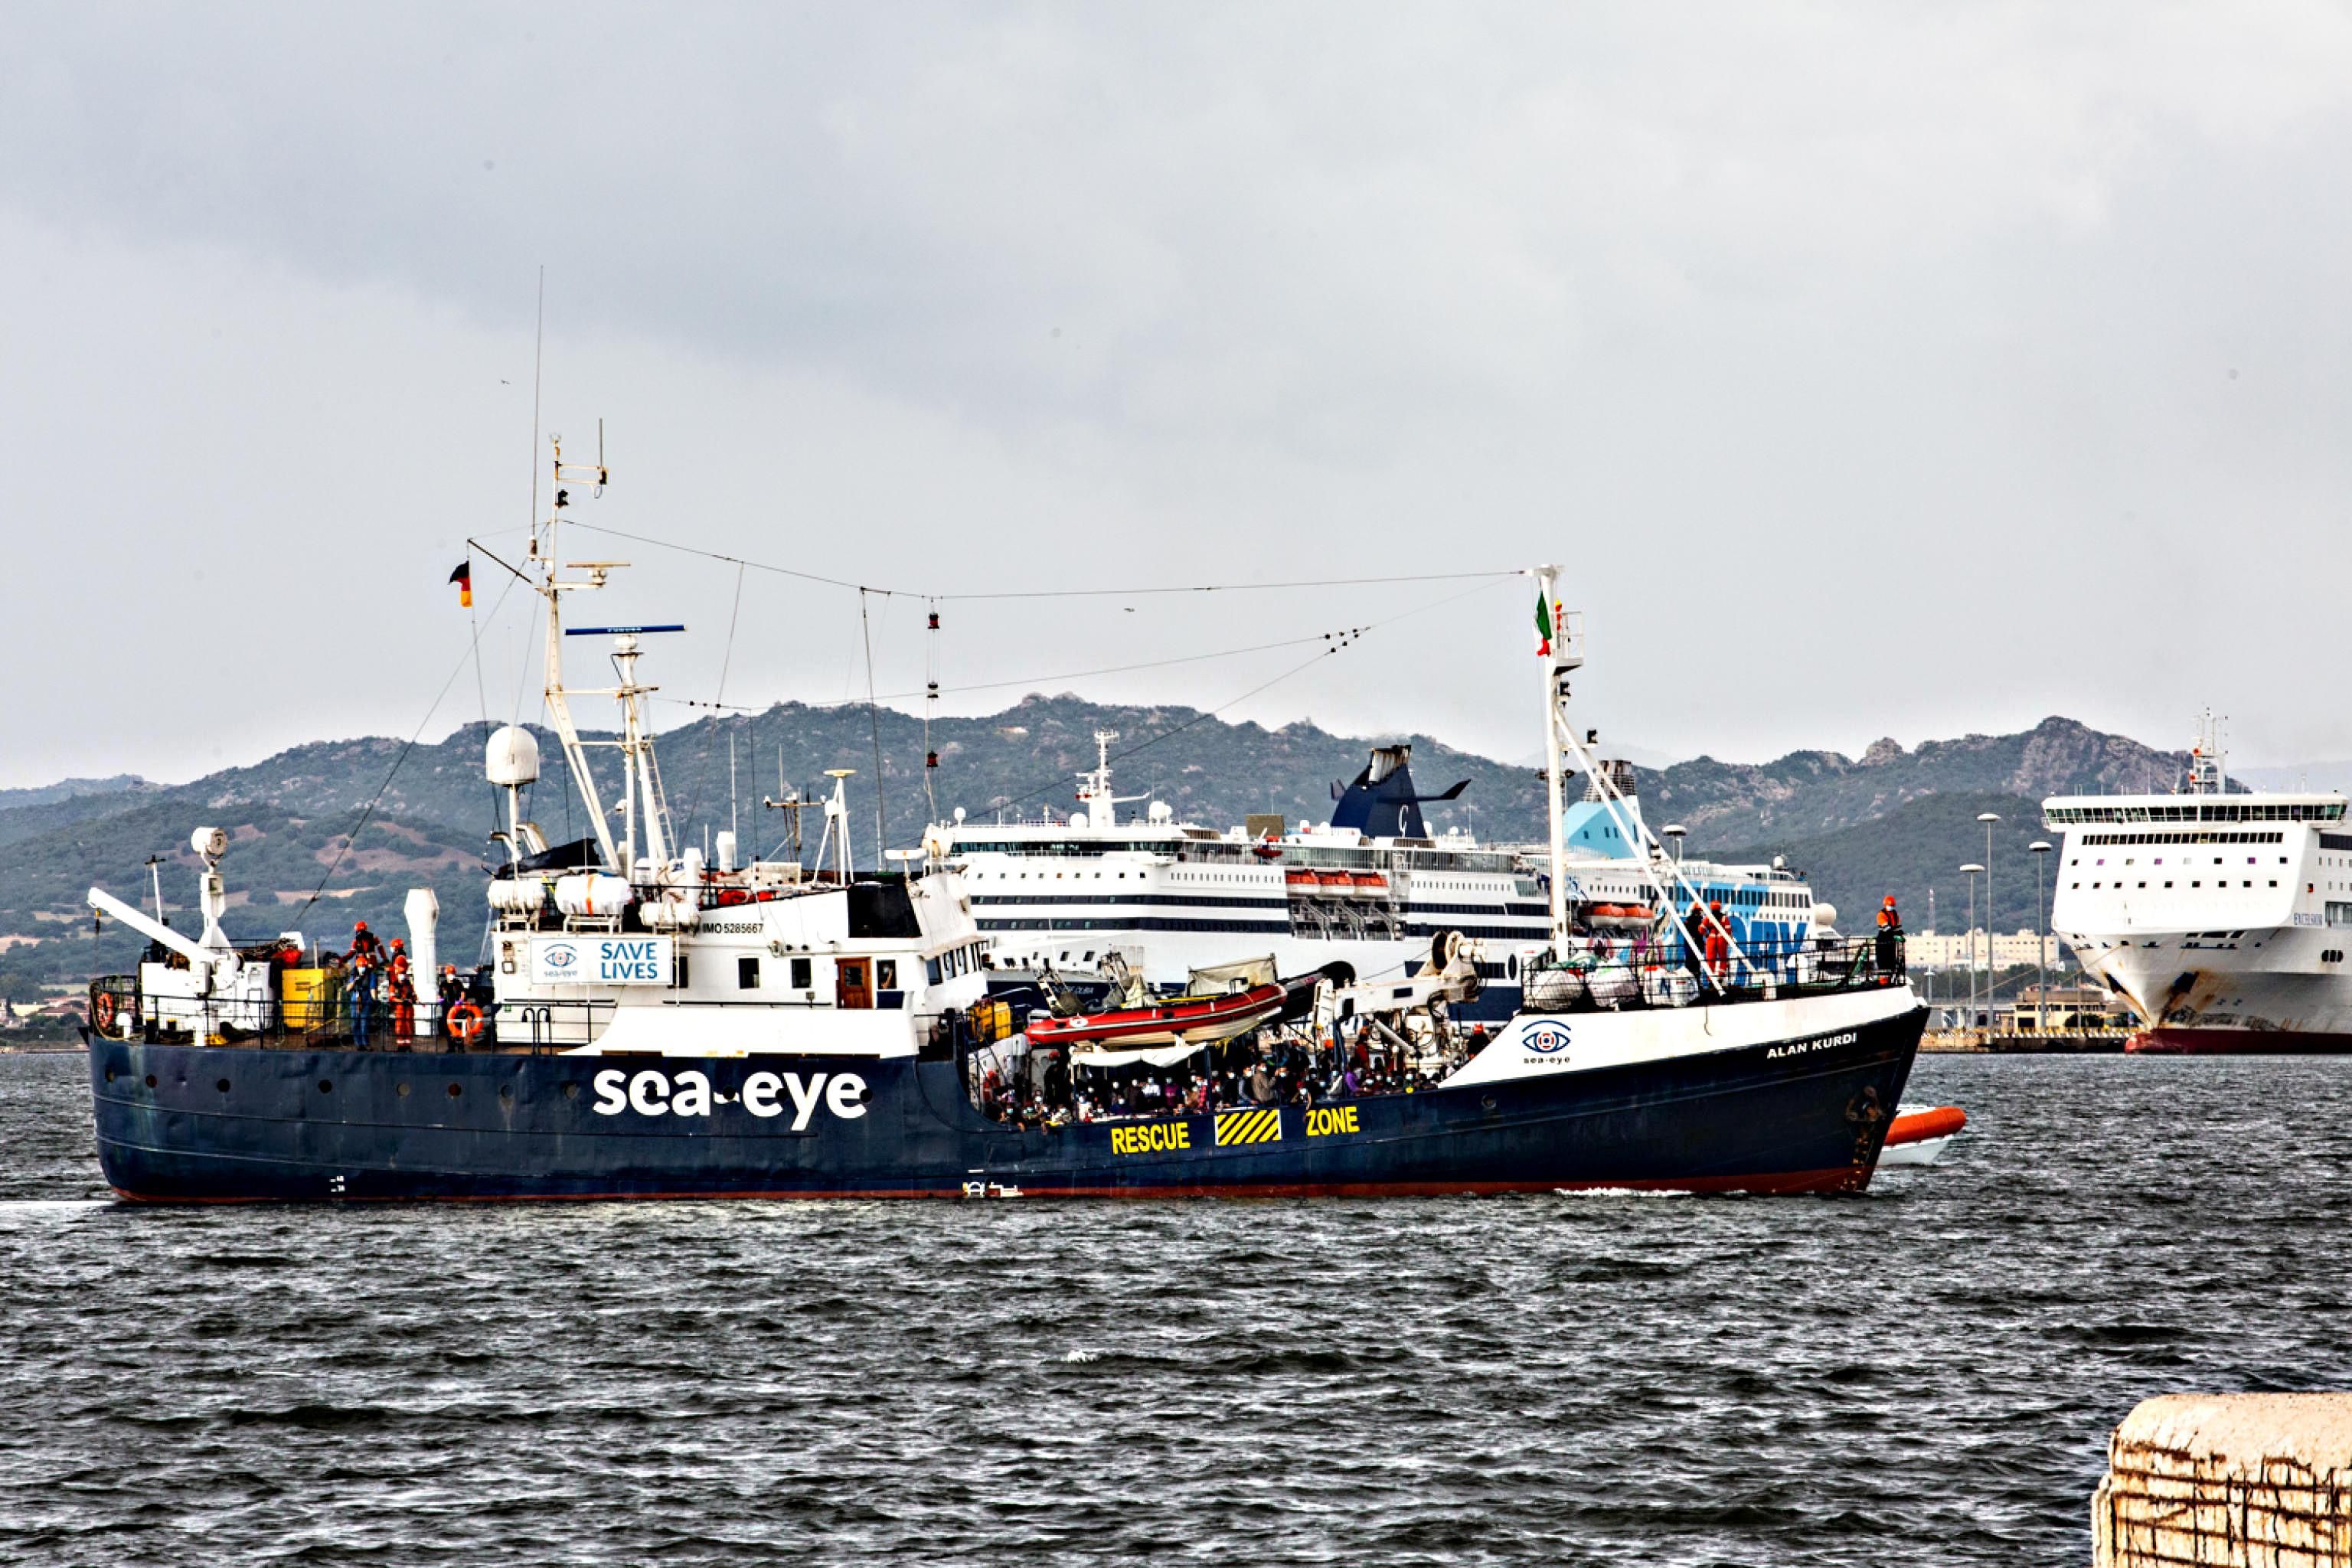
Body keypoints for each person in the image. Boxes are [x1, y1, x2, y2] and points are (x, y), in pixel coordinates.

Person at [1876, 895, 1906, 978]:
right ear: (1885, 905)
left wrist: (1898, 932)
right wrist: (1895, 932)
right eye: (1890, 906)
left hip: (1891, 940)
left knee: (1891, 959)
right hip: (1883, 939)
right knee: (1882, 961)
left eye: (1892, 906)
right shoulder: (1881, 914)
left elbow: (1897, 925)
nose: (1891, 907)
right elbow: (1886, 928)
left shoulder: (1895, 914)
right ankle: (1883, 978)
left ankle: (1891, 974)